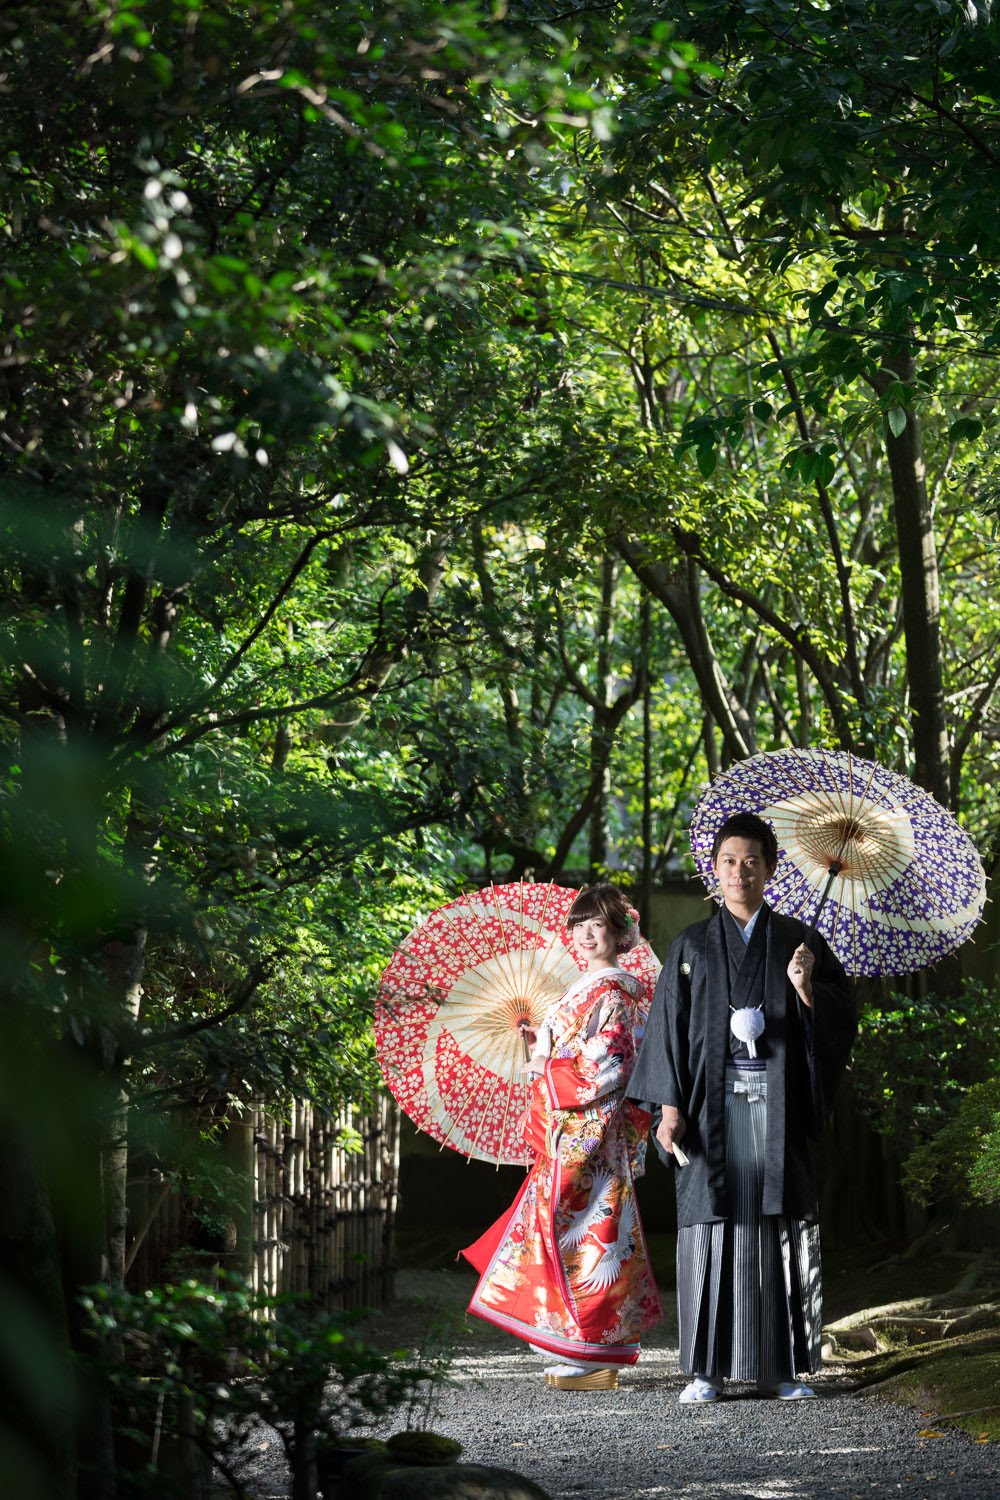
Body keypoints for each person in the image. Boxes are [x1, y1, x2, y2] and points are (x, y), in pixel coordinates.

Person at [627, 812, 856, 1404]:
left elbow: (840, 1016)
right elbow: (668, 1030)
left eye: (751, 861)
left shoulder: (800, 942)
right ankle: (706, 1370)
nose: (739, 872)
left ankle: (781, 1369)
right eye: (729, 861)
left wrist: (806, 988)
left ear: (770, 868)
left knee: (776, 1229)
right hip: (710, 1109)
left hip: (778, 1107)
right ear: (715, 869)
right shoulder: (691, 945)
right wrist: (669, 1108)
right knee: (712, 1230)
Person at [461, 883, 663, 1390]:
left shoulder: (615, 992)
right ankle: (576, 1342)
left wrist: (549, 1068)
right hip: (569, 1127)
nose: (587, 935)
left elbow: (613, 1062)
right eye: (580, 925)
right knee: (560, 1229)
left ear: (620, 935)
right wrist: (539, 1043)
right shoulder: (583, 988)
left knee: (587, 1234)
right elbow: (571, 1049)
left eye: (599, 925)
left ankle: (591, 1346)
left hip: (592, 1133)